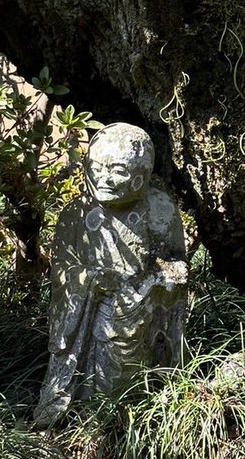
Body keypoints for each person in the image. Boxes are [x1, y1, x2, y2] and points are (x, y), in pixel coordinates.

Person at [34, 122, 188, 427]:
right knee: (92, 386)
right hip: (92, 319)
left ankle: (140, 419)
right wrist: (91, 280)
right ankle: (84, 422)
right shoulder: (76, 214)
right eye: (97, 167)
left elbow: (176, 261)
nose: (104, 177)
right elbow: (62, 272)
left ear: (140, 176)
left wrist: (168, 280)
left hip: (141, 318)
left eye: (117, 170)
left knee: (137, 383)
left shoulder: (160, 209)